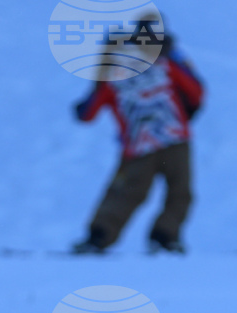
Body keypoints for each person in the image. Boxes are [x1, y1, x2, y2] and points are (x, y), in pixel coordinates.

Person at [71, 16, 205, 255]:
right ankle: (164, 237)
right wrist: (189, 111)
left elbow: (88, 113)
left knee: (125, 193)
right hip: (175, 139)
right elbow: (196, 91)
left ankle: (99, 236)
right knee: (180, 192)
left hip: (138, 145)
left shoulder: (113, 70)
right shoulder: (166, 62)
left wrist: (84, 104)